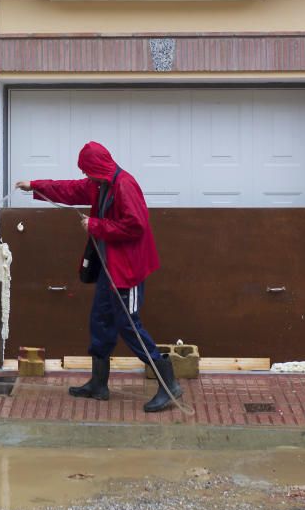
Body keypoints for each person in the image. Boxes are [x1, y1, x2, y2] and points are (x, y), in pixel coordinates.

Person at [15, 141, 181, 413]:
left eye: (88, 171)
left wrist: (95, 225)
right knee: (100, 320)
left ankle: (169, 382)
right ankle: (99, 384)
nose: (85, 177)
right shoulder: (99, 183)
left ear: (98, 167)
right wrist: (34, 185)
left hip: (128, 271)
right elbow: (69, 188)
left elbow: (136, 226)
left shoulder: (124, 185)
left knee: (129, 326)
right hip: (110, 268)